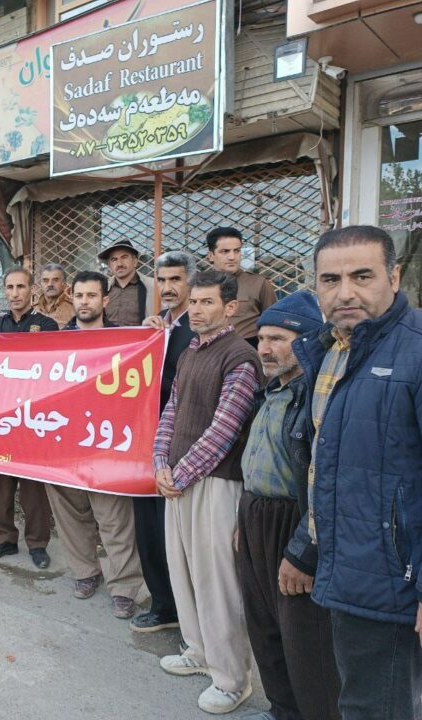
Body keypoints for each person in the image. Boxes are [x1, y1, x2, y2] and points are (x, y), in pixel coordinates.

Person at [295, 225, 422, 720]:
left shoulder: (414, 351)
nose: (345, 292)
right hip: (344, 569)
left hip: (391, 582)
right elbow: (323, 468)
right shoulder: (328, 351)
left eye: (362, 275)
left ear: (393, 276)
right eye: (330, 279)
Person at [153, 270, 262, 715]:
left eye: (206, 303)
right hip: (178, 480)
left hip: (215, 484)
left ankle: (232, 678)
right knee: (185, 572)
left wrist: (180, 474)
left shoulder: (240, 357)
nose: (196, 310)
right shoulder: (191, 352)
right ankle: (199, 651)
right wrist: (161, 462)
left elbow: (224, 429)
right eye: (193, 302)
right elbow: (172, 411)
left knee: (218, 583)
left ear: (230, 308)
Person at [237, 290, 341, 720]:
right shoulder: (270, 391)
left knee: (305, 640)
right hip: (255, 516)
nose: (265, 348)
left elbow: (321, 481)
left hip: (293, 523)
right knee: (264, 628)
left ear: (306, 341)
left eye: (279, 339)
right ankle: (282, 710)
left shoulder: (317, 397)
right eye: (261, 338)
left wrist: (304, 550)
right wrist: (241, 519)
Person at [48, 270, 145, 618]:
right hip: (63, 446)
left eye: (91, 296)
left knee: (115, 521)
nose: (84, 302)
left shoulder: (128, 340)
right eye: (79, 295)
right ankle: (86, 573)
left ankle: (124, 587)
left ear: (105, 300)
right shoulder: (55, 340)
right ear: (70, 298)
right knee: (71, 518)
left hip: (107, 446)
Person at [134, 251, 199, 633]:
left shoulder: (197, 328)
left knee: (177, 533)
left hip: (179, 447)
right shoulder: (158, 327)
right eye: (162, 280)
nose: (169, 287)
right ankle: (163, 604)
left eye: (176, 279)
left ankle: (185, 613)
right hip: (143, 441)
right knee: (149, 529)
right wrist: (146, 338)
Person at [0, 268, 56, 568]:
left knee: (34, 490)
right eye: (9, 287)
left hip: (34, 418)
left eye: (20, 287)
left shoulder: (46, 326)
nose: (14, 293)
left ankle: (37, 544)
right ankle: (3, 540)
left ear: (31, 290)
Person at [206, 227, 277, 346]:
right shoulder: (199, 286)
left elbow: (273, 324)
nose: (232, 257)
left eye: (237, 251)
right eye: (225, 251)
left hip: (248, 351)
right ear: (211, 255)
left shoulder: (258, 284)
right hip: (209, 351)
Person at [99, 239, 155, 326]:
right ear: (109, 265)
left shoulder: (153, 286)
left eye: (124, 257)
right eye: (114, 259)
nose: (119, 264)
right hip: (107, 338)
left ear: (135, 261)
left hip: (141, 339)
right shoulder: (103, 289)